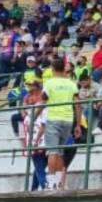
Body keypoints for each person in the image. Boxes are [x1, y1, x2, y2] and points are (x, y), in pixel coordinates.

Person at [42, 58, 78, 190]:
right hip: (68, 120)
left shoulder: (49, 83)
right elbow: (78, 104)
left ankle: (51, 183)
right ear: (64, 68)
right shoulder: (71, 83)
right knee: (60, 152)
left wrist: (34, 115)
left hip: (53, 119)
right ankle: (59, 183)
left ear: (52, 69)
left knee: (52, 152)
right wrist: (78, 124)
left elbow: (42, 101)